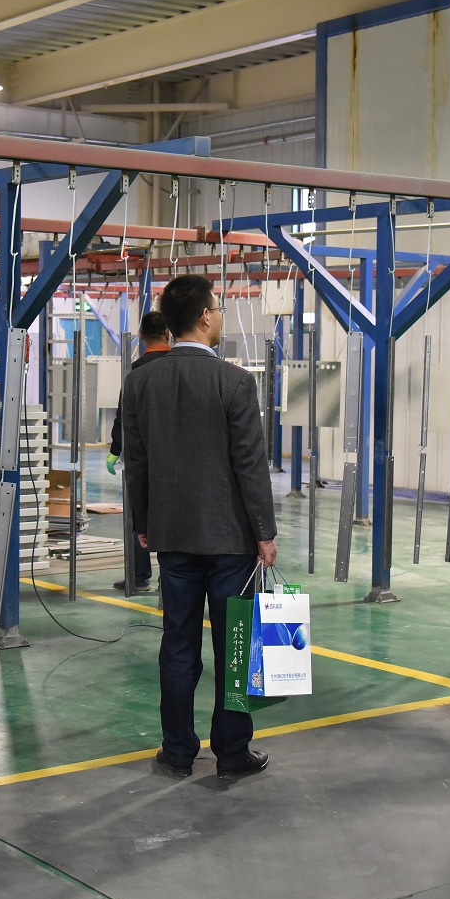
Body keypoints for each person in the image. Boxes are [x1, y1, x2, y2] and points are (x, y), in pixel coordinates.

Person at [122, 274, 277, 781]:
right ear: (206, 316)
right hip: (231, 540)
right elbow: (250, 465)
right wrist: (265, 532)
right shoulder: (235, 382)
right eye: (219, 308)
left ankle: (177, 752)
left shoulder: (140, 382)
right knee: (236, 647)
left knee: (178, 646)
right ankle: (231, 754)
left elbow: (136, 462)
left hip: (172, 538)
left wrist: (145, 522)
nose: (220, 315)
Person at [106, 311, 170, 593]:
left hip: (142, 455)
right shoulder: (180, 366)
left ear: (142, 336)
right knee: (173, 516)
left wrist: (115, 450)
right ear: (168, 333)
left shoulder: (135, 371)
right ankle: (169, 580)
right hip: (177, 456)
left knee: (138, 514)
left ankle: (139, 576)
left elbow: (124, 416)